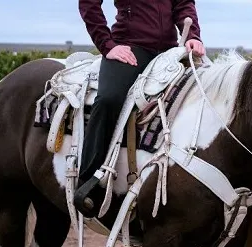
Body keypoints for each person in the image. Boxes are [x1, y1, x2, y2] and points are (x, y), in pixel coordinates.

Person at [75, 0, 206, 217]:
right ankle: (89, 179)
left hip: (169, 53)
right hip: (129, 48)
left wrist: (192, 35)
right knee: (109, 99)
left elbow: (183, 4)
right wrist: (108, 45)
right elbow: (89, 4)